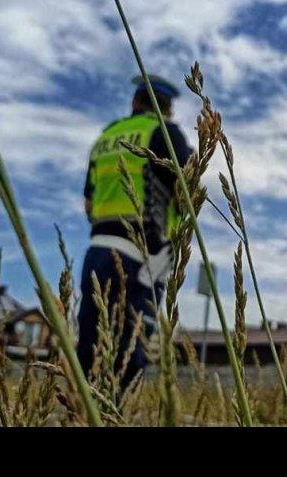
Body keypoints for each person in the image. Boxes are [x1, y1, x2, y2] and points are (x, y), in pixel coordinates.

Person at [78, 75, 193, 393]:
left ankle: (84, 409)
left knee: (90, 342)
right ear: (167, 108)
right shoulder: (165, 134)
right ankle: (116, 411)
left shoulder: (106, 137)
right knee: (131, 347)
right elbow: (186, 194)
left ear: (134, 102)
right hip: (145, 256)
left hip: (98, 249)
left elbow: (89, 203)